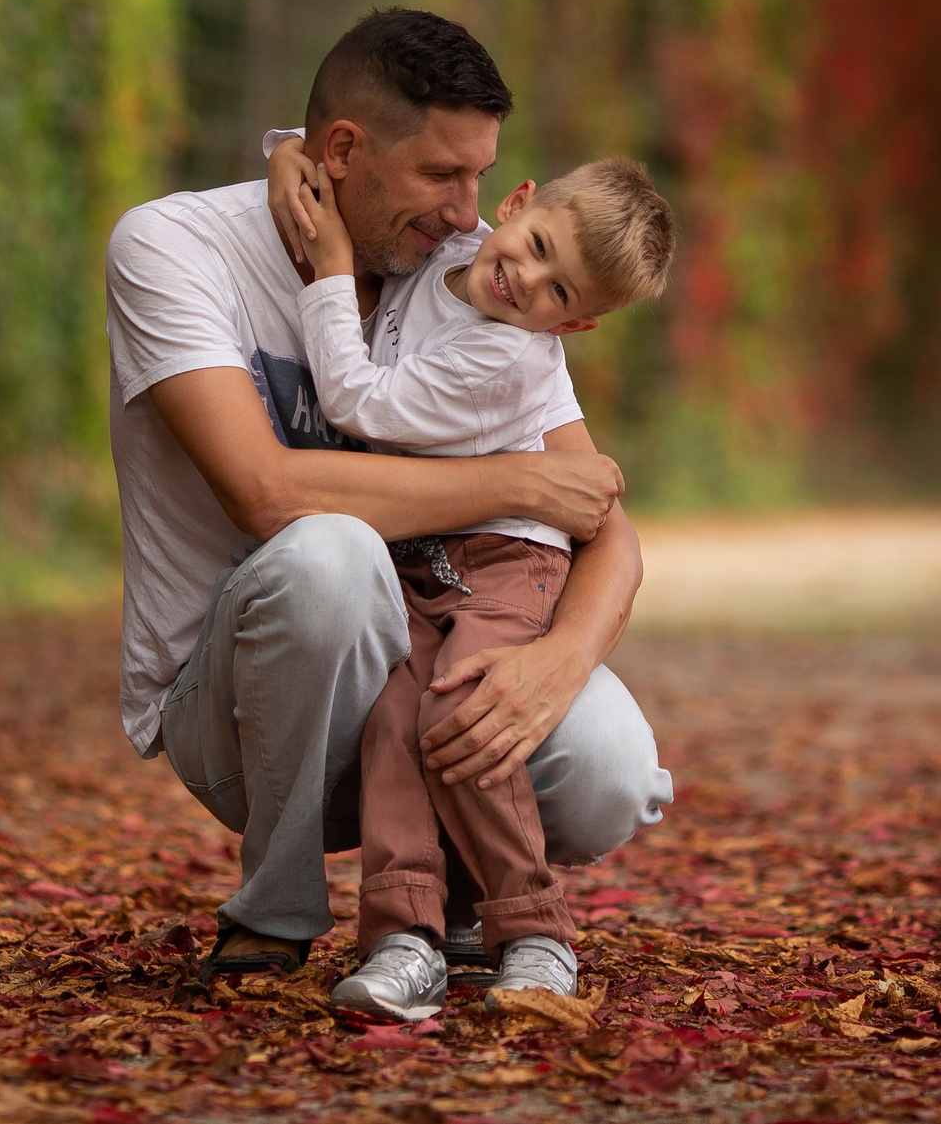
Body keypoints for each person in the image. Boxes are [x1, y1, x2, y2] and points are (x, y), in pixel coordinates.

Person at [102, 8, 673, 984]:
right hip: (242, 711)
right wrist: (504, 481)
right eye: (442, 176)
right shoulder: (170, 248)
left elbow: (601, 527)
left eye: (482, 179)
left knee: (609, 760)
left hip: (423, 669)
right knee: (333, 554)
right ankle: (271, 915)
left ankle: (444, 910)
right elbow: (266, 492)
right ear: (344, 150)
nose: (468, 211)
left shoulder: (471, 275)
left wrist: (555, 663)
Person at [267, 143, 675, 1020]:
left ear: (573, 327)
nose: (526, 279)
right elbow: (348, 138)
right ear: (518, 203)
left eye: (560, 291)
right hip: (426, 549)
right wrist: (286, 158)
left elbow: (360, 403)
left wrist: (332, 270)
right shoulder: (458, 248)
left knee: (463, 711)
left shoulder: (505, 359)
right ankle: (403, 938)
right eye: (534, 244)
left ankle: (535, 935)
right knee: (393, 718)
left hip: (505, 558)